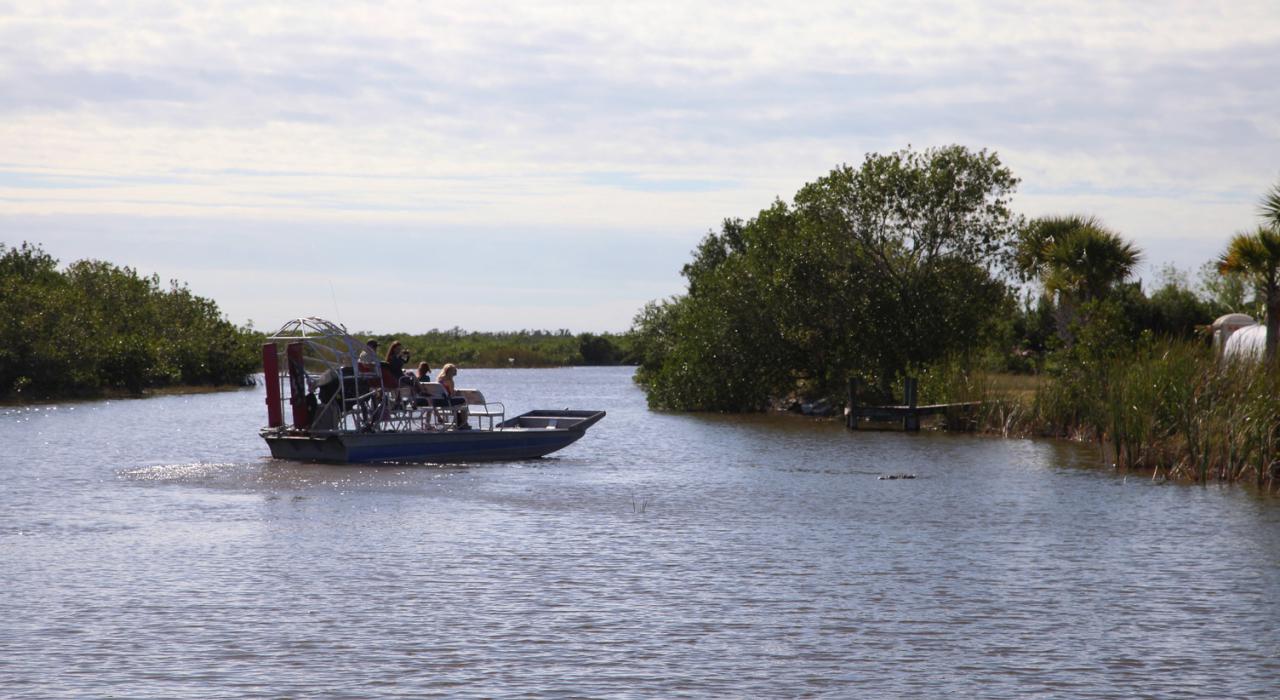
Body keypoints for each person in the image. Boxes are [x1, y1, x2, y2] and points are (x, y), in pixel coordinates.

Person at [436, 363, 470, 429]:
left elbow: (445, 391)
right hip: (447, 402)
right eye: (454, 370)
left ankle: (457, 421)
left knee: (458, 401)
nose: (456, 371)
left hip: (440, 402)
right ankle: (464, 423)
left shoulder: (440, 379)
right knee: (464, 402)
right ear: (450, 372)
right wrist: (457, 393)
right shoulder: (450, 381)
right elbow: (452, 395)